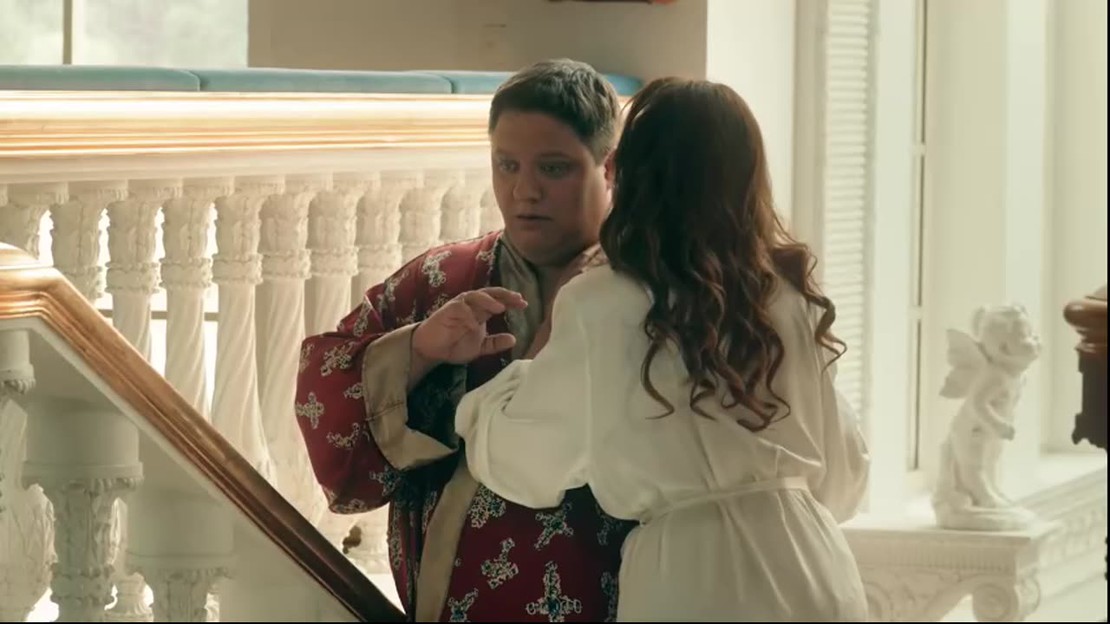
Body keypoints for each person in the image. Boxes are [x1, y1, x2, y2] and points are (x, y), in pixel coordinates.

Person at [455, 78, 871, 622]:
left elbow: (527, 462)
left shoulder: (601, 301)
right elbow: (844, 483)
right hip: (818, 572)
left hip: (694, 578)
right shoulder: (788, 298)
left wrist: (489, 399)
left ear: (622, 172)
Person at [295, 59, 635, 622]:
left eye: (553, 168)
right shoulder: (439, 281)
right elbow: (324, 392)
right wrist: (418, 350)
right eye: (507, 165)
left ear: (609, 167)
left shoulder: (650, 291)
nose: (524, 191)